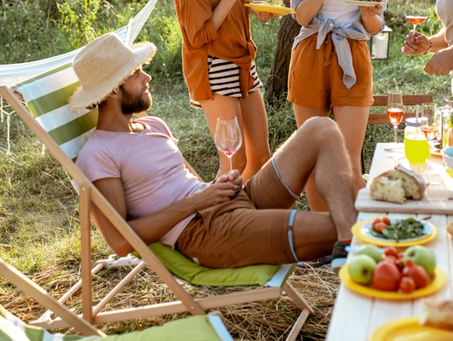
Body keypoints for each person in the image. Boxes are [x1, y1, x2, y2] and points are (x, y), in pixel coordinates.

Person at [69, 33, 363, 271]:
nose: (147, 77)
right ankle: (351, 237)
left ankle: (347, 238)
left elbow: (189, 183)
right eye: (135, 73)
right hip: (206, 235)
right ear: (112, 91)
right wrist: (198, 202)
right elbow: (121, 241)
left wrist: (216, 188)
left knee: (320, 128)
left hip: (230, 202)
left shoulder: (154, 125)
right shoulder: (98, 155)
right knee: (362, 227)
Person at [287, 0, 384, 211]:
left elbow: (373, 27)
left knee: (348, 156)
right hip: (311, 51)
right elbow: (302, 16)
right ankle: (321, 237)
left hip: (352, 54)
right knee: (314, 156)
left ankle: (353, 239)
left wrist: (372, 15)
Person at [174, 0, 275, 182]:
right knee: (234, 159)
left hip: (244, 61)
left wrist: (253, 7)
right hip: (215, 66)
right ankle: (222, 224)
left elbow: (237, 4)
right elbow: (197, 36)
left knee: (260, 156)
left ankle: (249, 219)